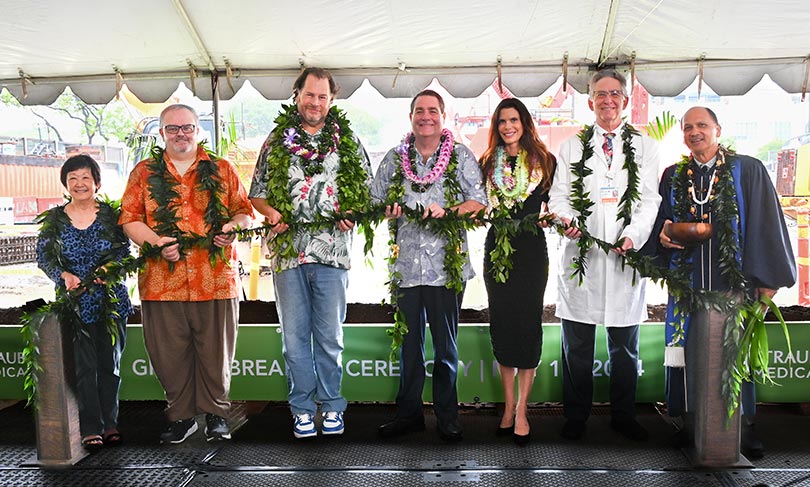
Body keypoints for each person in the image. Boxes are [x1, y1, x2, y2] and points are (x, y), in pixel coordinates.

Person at [649, 106, 796, 458]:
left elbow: (765, 221)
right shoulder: (674, 175)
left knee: (734, 356)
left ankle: (742, 430)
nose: (694, 132)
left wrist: (768, 279)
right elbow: (660, 224)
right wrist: (664, 235)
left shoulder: (746, 169)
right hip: (688, 285)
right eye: (688, 127)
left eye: (702, 125)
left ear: (719, 129)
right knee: (687, 354)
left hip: (734, 284)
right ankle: (690, 425)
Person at [249, 67, 372, 439]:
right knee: (294, 338)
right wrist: (270, 213)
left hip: (332, 254)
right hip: (288, 254)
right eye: (309, 95)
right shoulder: (276, 140)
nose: (315, 102)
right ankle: (302, 408)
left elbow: (364, 191)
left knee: (330, 336)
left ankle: (332, 405)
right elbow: (257, 191)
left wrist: (352, 212)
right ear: (297, 95)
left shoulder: (347, 140)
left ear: (331, 100)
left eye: (322, 96)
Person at [120, 104, 253, 444]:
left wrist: (232, 229)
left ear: (198, 130)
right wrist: (155, 242)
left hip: (215, 277)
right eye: (172, 129)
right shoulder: (143, 173)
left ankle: (216, 415)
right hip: (162, 282)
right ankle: (180, 416)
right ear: (161, 133)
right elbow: (130, 219)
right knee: (168, 353)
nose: (181, 134)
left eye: (187, 127)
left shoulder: (221, 170)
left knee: (215, 352)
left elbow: (245, 213)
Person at [547, 69, 661, 441]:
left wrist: (632, 237)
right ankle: (576, 416)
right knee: (577, 345)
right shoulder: (573, 146)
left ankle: (623, 416)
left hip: (625, 258)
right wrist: (566, 221)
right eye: (600, 94)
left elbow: (649, 201)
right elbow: (559, 196)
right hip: (583, 257)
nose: (608, 100)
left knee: (625, 347)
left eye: (615, 93)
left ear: (625, 100)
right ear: (590, 100)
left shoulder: (644, 147)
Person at [373, 89, 487, 442]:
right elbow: (376, 201)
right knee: (408, 348)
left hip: (446, 266)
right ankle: (408, 415)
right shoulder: (394, 159)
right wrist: (388, 209)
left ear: (443, 116)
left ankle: (447, 417)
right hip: (405, 267)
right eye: (420, 110)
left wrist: (449, 212)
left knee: (446, 349)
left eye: (433, 111)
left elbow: (479, 203)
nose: (426, 116)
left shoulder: (461, 156)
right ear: (411, 117)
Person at [36, 154, 133, 450]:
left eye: (85, 179)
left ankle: (110, 423)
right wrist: (62, 274)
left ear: (97, 183)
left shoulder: (112, 216)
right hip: (74, 304)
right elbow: (44, 257)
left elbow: (124, 253)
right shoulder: (54, 220)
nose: (80, 184)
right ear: (66, 184)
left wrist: (110, 270)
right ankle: (90, 427)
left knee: (110, 365)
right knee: (82, 367)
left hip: (111, 301)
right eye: (73, 179)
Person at [479, 98, 556, 446]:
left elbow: (559, 205)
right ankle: (508, 407)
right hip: (497, 249)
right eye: (502, 121)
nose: (508, 126)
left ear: (524, 122)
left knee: (528, 324)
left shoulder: (545, 161)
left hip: (530, 250)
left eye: (513, 120)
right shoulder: (485, 164)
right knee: (503, 323)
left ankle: (524, 409)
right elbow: (477, 205)